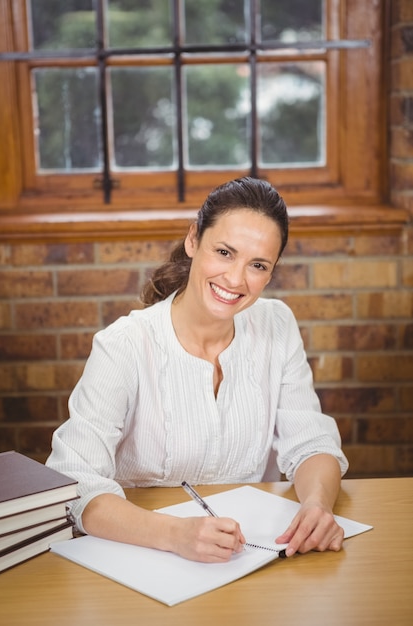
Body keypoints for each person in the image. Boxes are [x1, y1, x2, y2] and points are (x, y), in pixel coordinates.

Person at [46, 176, 348, 563]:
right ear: (193, 240)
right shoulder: (123, 345)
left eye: (257, 265)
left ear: (271, 272)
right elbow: (76, 483)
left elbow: (312, 444)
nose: (236, 279)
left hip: (239, 558)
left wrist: (318, 505)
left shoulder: (276, 324)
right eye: (224, 252)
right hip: (137, 555)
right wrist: (175, 535)